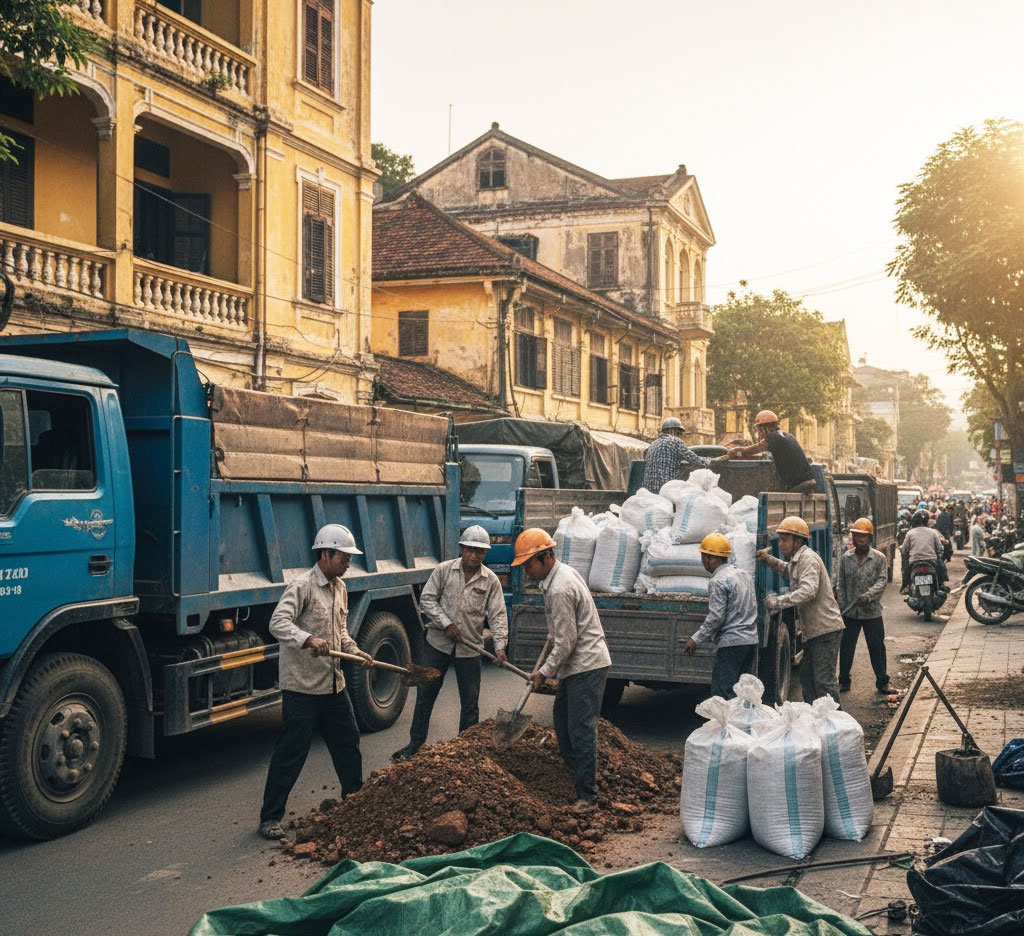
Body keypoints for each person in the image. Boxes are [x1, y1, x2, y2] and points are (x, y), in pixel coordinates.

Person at [258, 524, 373, 840]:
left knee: (348, 744)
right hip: (303, 688)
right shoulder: (302, 586)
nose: (348, 563)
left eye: (350, 557)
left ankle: (353, 804)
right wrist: (307, 638)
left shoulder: (341, 588)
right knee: (291, 752)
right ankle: (270, 817)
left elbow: (342, 633)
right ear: (325, 554)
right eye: (344, 557)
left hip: (333, 685)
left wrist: (356, 650)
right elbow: (278, 624)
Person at [512, 528, 611, 811]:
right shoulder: (561, 575)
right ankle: (579, 778)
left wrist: (543, 672)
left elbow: (567, 641)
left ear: (546, 557)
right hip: (577, 665)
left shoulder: (559, 588)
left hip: (586, 664)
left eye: (529, 564)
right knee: (563, 725)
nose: (527, 572)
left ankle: (588, 796)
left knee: (580, 729)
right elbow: (561, 634)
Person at [391, 525, 508, 762]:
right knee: (426, 694)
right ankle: (415, 744)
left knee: (470, 702)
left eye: (480, 551)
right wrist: (446, 624)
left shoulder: (490, 580)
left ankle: (466, 751)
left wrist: (500, 647)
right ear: (462, 549)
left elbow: (497, 614)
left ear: (485, 553)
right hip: (438, 644)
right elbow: (427, 600)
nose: (475, 555)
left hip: (470, 648)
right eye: (471, 550)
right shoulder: (444, 571)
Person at [756, 515, 844, 704]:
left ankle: (836, 726)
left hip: (825, 630)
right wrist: (767, 559)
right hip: (814, 632)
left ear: (798, 540)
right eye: (779, 540)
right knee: (807, 679)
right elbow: (786, 570)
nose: (780, 544)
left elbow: (808, 591)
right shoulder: (798, 561)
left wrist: (778, 602)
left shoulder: (808, 560)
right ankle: (815, 719)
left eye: (784, 540)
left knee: (824, 682)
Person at [683, 533, 758, 698]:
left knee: (723, 694)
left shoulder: (718, 581)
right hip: (750, 641)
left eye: (704, 557)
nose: (703, 562)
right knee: (742, 694)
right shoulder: (744, 575)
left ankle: (726, 723)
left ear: (711, 559)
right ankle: (740, 723)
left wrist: (696, 639)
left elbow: (716, 617)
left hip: (731, 644)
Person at [835, 518, 890, 694]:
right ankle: (844, 680)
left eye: (864, 537)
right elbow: (840, 584)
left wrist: (869, 596)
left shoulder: (879, 558)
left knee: (877, 648)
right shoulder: (846, 558)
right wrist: (843, 606)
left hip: (872, 612)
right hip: (850, 612)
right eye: (857, 536)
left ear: (869, 538)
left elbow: (882, 581)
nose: (860, 540)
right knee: (846, 648)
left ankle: (882, 682)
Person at [727, 410, 817, 493]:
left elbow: (752, 450)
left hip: (798, 484)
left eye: (759, 430)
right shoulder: (788, 436)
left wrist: (738, 450)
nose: (759, 433)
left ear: (764, 428)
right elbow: (763, 456)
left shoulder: (773, 438)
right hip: (810, 480)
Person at [642, 417, 728, 493]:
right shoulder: (675, 441)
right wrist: (715, 460)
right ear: (673, 431)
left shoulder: (652, 444)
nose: (679, 436)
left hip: (648, 489)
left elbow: (645, 455)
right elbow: (696, 460)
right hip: (665, 490)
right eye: (679, 433)